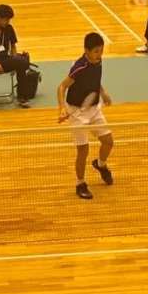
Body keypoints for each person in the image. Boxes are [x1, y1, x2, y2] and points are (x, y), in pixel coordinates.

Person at [57, 32, 114, 200]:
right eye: (96, 51)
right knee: (83, 150)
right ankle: (80, 183)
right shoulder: (79, 67)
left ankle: (101, 164)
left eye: (101, 50)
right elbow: (61, 87)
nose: (99, 54)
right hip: (77, 112)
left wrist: (103, 92)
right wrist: (62, 108)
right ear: (86, 51)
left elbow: (95, 80)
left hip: (94, 109)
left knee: (108, 141)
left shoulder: (98, 61)